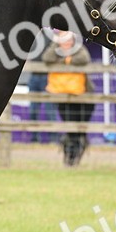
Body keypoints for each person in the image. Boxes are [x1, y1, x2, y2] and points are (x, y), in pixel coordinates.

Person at [42, 30, 91, 166]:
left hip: (82, 96)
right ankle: (70, 157)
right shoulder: (55, 49)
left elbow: (84, 58)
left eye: (69, 40)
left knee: (79, 128)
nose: (66, 43)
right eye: (63, 41)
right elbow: (47, 58)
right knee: (70, 128)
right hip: (62, 95)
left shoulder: (79, 50)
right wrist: (56, 45)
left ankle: (75, 155)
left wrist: (65, 58)